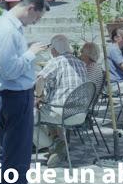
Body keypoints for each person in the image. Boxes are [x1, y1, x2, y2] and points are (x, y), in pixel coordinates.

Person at [0, 0, 49, 184]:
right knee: (16, 161)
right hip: (14, 97)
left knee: (12, 158)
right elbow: (11, 70)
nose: (34, 22)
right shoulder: (7, 30)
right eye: (36, 18)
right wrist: (30, 53)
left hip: (11, 96)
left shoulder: (3, 27)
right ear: (31, 8)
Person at [34, 34, 87, 167]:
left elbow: (40, 79)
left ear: (54, 50)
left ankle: (55, 145)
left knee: (29, 116)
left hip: (62, 113)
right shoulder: (81, 63)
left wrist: (38, 95)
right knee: (48, 108)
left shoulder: (56, 61)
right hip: (80, 113)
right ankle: (58, 146)